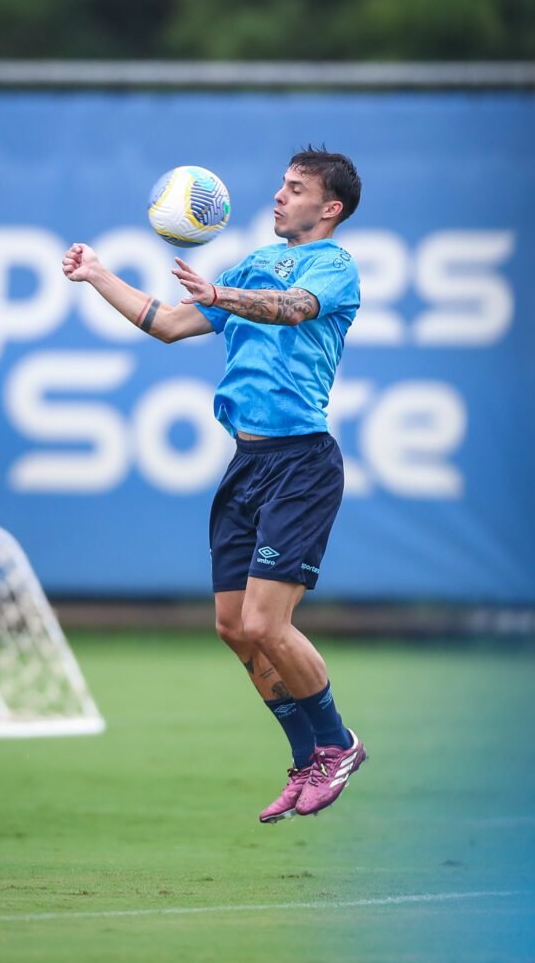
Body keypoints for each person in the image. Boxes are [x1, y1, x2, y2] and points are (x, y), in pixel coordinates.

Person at [62, 145, 365, 823]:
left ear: (330, 207)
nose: (280, 195)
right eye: (282, 184)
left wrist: (223, 294)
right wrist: (99, 275)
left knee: (266, 622)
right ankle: (304, 758)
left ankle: (338, 744)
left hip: (301, 463)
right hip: (246, 464)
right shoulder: (254, 263)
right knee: (233, 627)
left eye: (296, 188)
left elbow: (294, 309)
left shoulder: (335, 266)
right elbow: (170, 324)